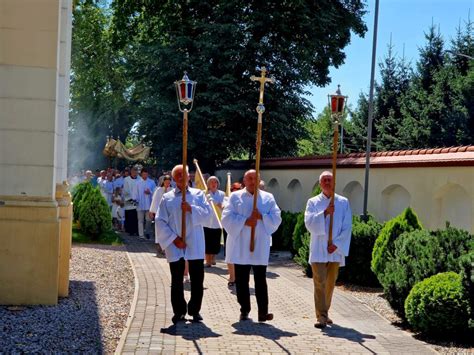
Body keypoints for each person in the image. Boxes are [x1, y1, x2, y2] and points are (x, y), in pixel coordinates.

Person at [222, 169, 281, 322]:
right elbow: (227, 218)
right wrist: (246, 221)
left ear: (259, 180)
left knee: (260, 280)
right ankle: (244, 309)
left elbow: (276, 217)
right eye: (249, 178)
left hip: (260, 244)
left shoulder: (268, 198)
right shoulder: (235, 197)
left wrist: (262, 216)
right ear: (244, 181)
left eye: (255, 178)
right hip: (241, 244)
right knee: (242, 281)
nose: (252, 181)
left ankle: (263, 312)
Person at [155, 165, 212, 324]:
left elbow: (208, 215)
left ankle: (195, 310)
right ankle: (179, 310)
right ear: (173, 178)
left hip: (195, 241)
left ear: (189, 176)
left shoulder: (198, 194)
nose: (181, 177)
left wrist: (191, 208)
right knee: (177, 280)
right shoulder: (167, 198)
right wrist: (174, 239)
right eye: (177, 175)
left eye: (183, 174)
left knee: (197, 278)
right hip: (175, 244)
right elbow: (160, 221)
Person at [304, 171, 352, 329]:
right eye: (324, 180)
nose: (327, 182)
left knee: (330, 284)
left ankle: (325, 312)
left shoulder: (343, 202)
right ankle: (321, 316)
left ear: (334, 183)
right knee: (319, 282)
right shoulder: (313, 202)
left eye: (329, 180)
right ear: (320, 184)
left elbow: (347, 226)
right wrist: (324, 213)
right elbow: (309, 223)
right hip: (319, 248)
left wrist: (336, 244)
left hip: (334, 249)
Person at [204, 176, 225, 268]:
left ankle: (213, 258)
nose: (213, 184)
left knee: (215, 242)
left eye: (215, 182)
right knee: (207, 241)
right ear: (208, 184)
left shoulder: (222, 194)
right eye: (211, 182)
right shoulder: (204, 194)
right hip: (206, 222)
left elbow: (225, 205)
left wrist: (221, 205)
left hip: (217, 222)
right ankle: (207, 260)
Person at [150, 175, 172, 255]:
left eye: (169, 183)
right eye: (166, 182)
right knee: (159, 230)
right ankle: (160, 246)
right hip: (159, 213)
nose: (167, 184)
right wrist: (152, 211)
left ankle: (166, 248)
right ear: (163, 182)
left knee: (167, 231)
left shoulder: (172, 190)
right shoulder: (158, 190)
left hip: (169, 214)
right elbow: (155, 201)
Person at [137, 168, 156, 239]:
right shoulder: (138, 183)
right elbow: (136, 193)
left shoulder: (152, 182)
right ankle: (141, 235)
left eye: (146, 174)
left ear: (148, 174)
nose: (145, 175)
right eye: (143, 174)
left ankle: (147, 232)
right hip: (140, 204)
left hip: (149, 204)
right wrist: (136, 200)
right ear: (141, 174)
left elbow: (155, 192)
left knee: (148, 220)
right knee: (140, 220)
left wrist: (150, 192)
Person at [123, 167, 139, 236]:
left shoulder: (140, 179)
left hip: (137, 201)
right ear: (131, 172)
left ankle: (136, 230)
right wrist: (131, 199)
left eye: (136, 171)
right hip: (129, 201)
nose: (135, 173)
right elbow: (126, 190)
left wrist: (137, 198)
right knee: (130, 216)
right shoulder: (126, 179)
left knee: (137, 217)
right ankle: (130, 231)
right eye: (133, 171)